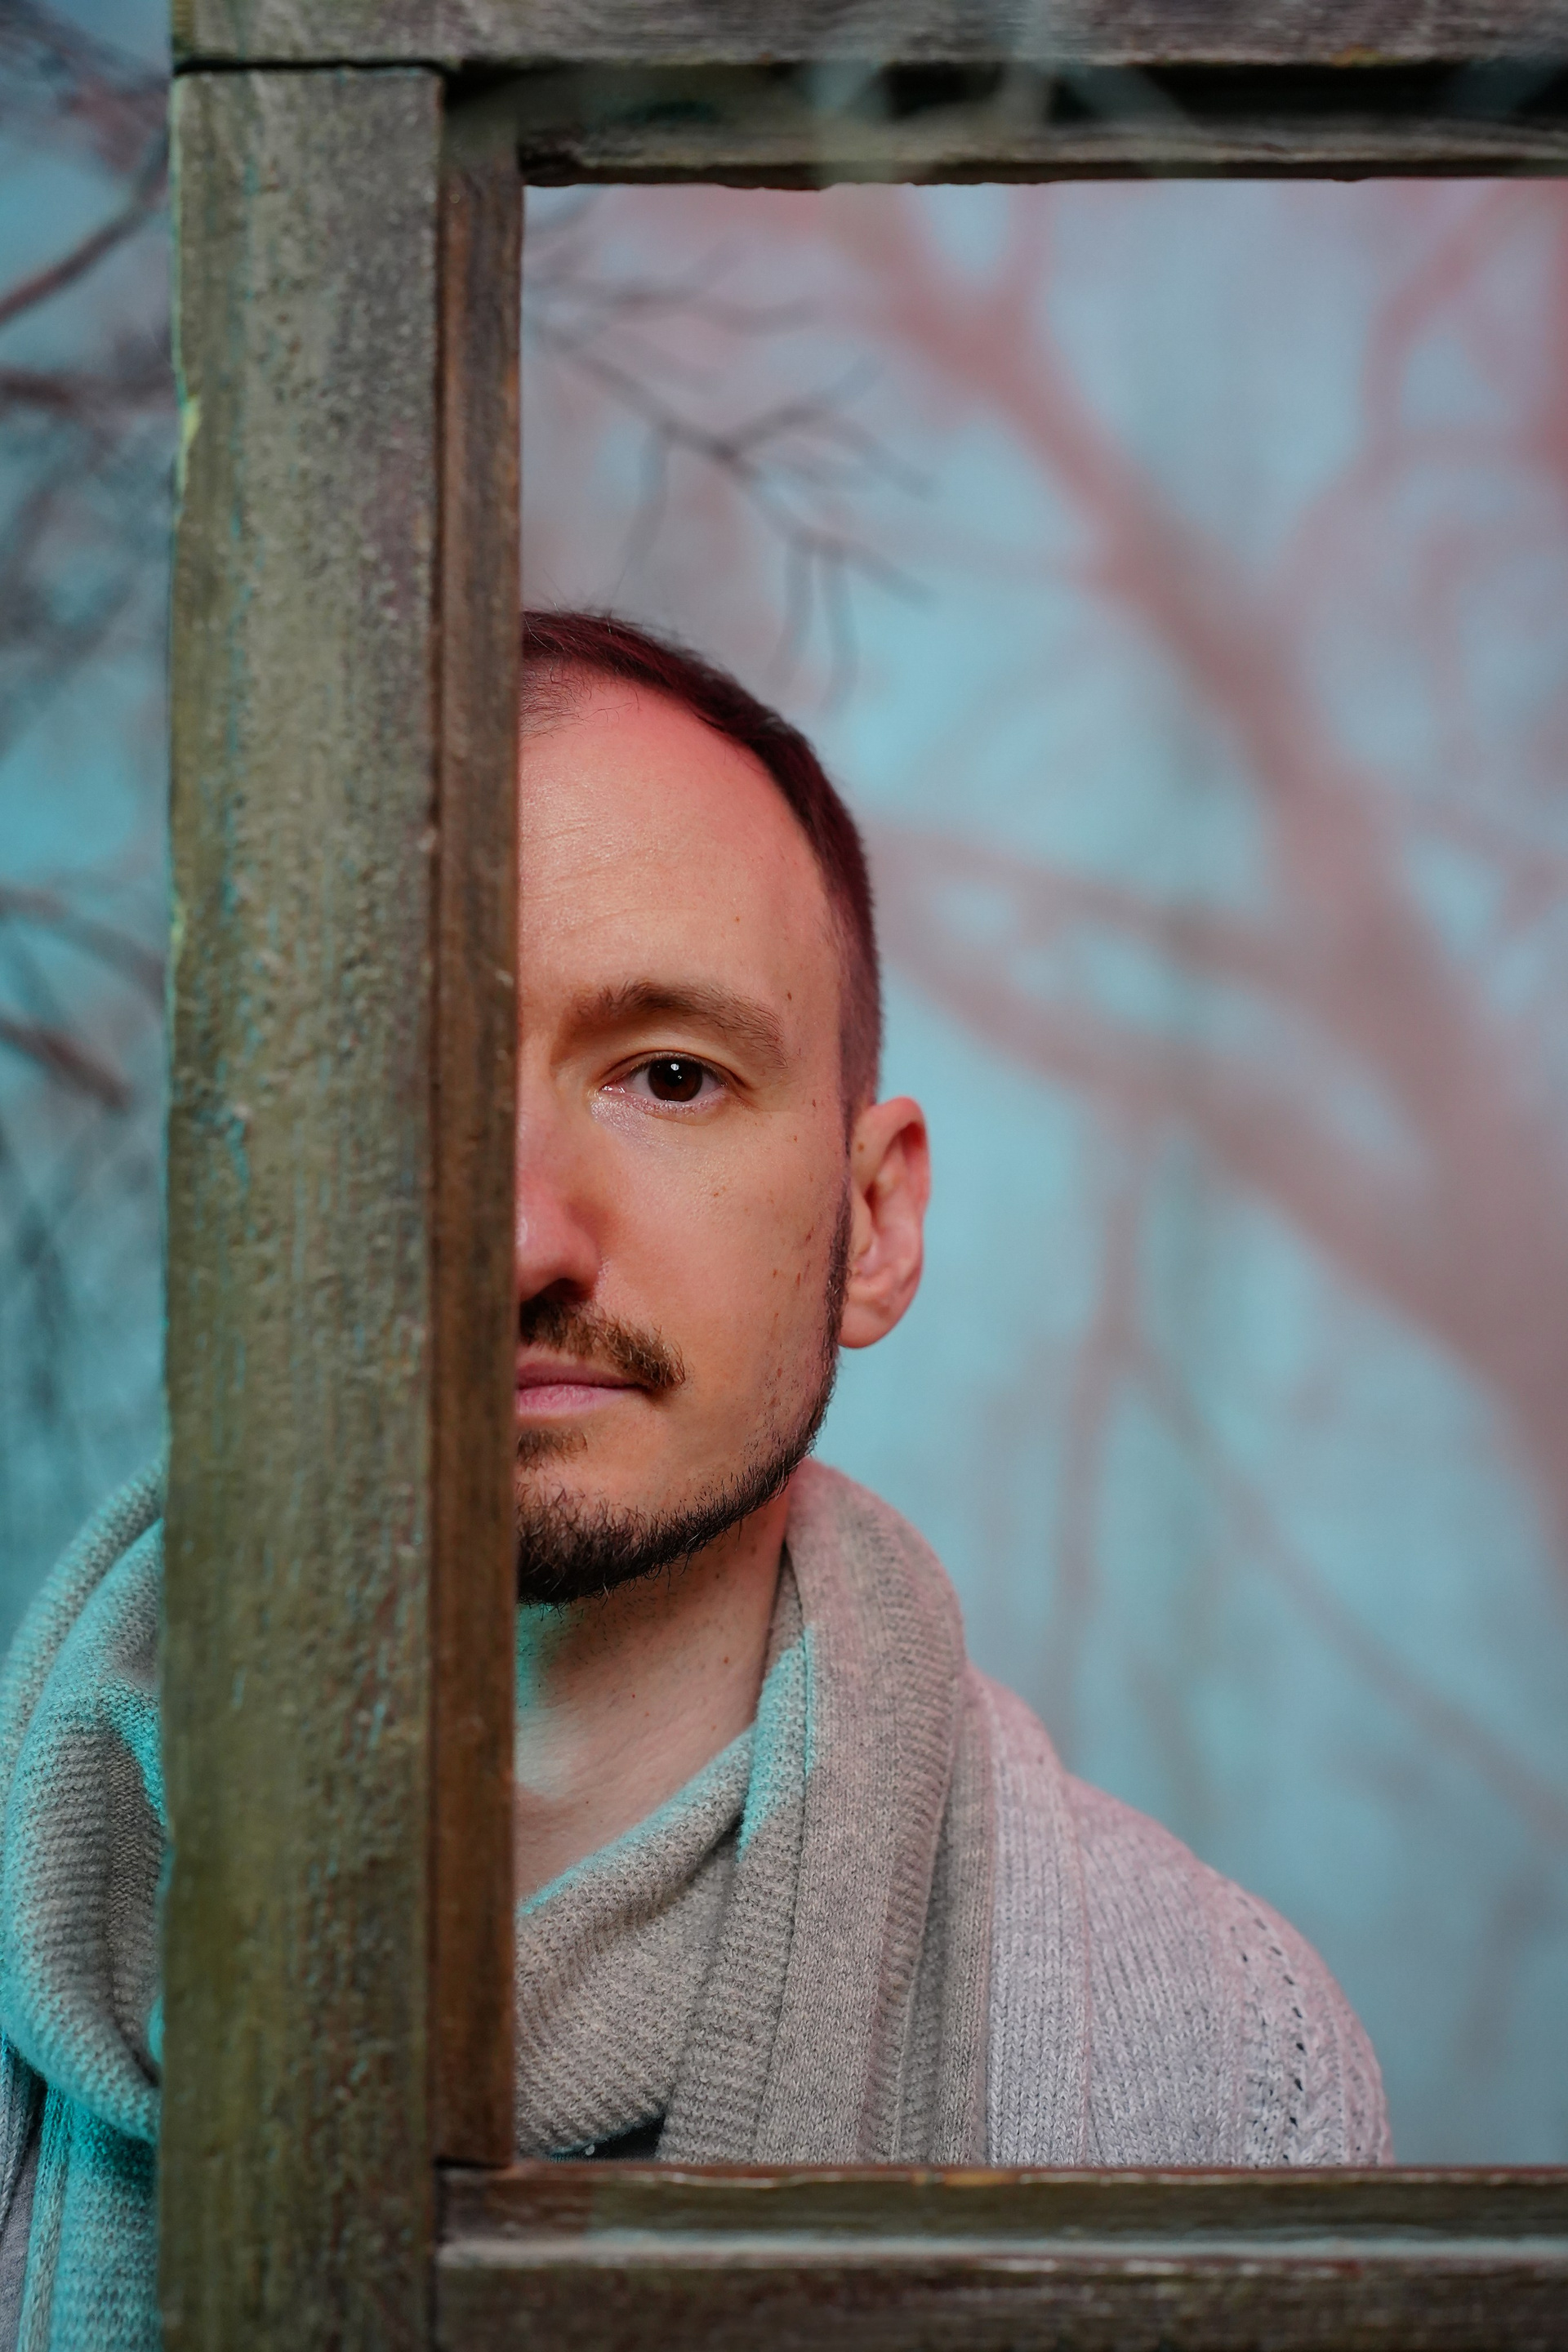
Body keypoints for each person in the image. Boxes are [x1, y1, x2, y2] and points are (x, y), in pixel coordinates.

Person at [0, 610, 1389, 2338]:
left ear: (873, 1223)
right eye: (398, 1077)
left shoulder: (1225, 2068)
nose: (523, 1236)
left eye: (669, 1075)